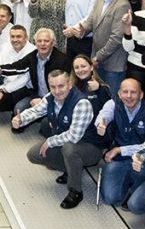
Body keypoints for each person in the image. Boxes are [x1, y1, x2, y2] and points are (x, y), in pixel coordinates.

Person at [12, 69, 103, 209]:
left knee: (69, 149)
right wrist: (21, 119)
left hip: (90, 147)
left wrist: (50, 141)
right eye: (53, 87)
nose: (57, 91)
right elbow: (36, 111)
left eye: (61, 86)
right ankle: (72, 168)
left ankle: (76, 191)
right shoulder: (50, 97)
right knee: (34, 155)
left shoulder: (81, 103)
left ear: (69, 84)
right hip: (66, 142)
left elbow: (74, 136)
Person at [96, 78, 145, 207]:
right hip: (119, 160)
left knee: (141, 172)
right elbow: (104, 116)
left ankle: (135, 187)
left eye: (133, 92)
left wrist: (119, 150)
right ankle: (126, 181)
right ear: (119, 94)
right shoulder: (113, 104)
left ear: (141, 95)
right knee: (110, 198)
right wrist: (101, 123)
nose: (129, 96)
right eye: (125, 92)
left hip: (142, 160)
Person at [65, 0, 130, 93]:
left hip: (113, 65)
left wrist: (97, 57)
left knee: (111, 100)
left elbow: (116, 38)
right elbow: (91, 20)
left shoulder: (122, 5)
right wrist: (81, 30)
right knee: (98, 98)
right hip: (97, 60)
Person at [0, 25, 36, 112]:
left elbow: (24, 79)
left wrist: (4, 91)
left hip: (25, 88)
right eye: (12, 36)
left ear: (26, 38)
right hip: (6, 83)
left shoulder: (33, 51)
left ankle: (20, 106)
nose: (15, 40)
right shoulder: (6, 47)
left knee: (17, 108)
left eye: (19, 36)